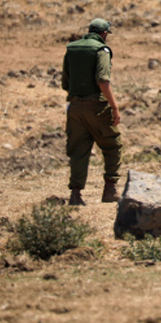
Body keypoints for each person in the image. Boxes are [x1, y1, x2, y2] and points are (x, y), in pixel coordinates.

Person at [61, 18, 122, 206]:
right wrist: (114, 106)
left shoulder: (71, 49)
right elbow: (103, 80)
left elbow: (65, 83)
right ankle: (110, 189)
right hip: (97, 105)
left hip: (75, 106)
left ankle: (76, 194)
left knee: (79, 150)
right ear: (104, 34)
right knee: (113, 145)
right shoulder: (101, 50)